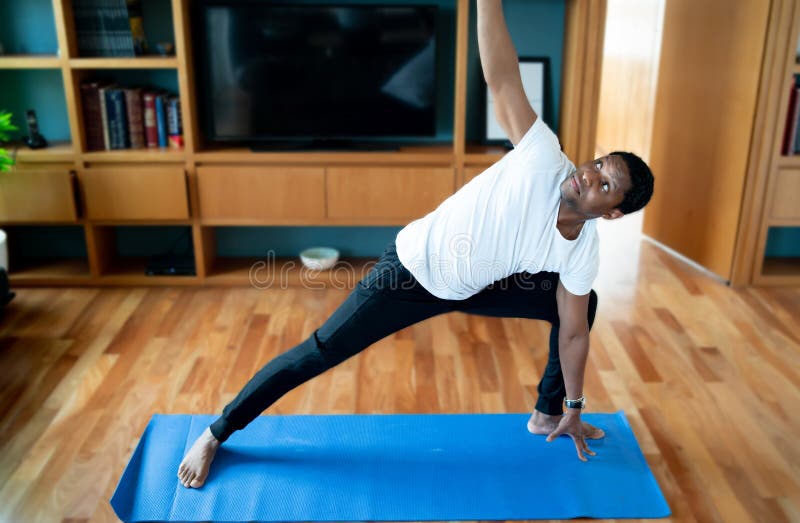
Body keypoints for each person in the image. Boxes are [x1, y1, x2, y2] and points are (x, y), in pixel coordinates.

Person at [177, 0, 654, 488]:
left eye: (604, 184)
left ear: (613, 212)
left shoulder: (582, 248)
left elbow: (573, 333)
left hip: (480, 284)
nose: (588, 175)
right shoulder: (540, 156)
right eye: (598, 164)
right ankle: (218, 432)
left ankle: (548, 415)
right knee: (319, 351)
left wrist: (575, 407)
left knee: (580, 303)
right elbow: (503, 75)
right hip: (412, 271)